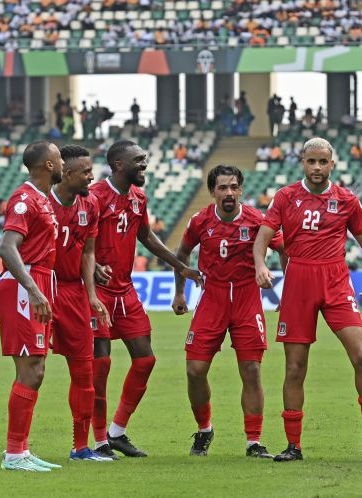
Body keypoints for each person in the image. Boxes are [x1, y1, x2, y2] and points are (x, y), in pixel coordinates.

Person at [253, 137, 362, 462]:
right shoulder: (286, 197)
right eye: (311, 161)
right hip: (299, 282)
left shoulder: (346, 200)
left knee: (361, 355)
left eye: (322, 162)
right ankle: (293, 446)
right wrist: (260, 264)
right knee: (295, 367)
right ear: (302, 162)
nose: (316, 167)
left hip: (335, 281)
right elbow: (262, 238)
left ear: (332, 164)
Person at [89, 140, 202, 459]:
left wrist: (178, 265)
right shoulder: (95, 197)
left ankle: (117, 432)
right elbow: (80, 239)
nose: (145, 164)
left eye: (145, 158)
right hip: (98, 292)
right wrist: (93, 266)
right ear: (118, 165)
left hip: (125, 290)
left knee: (145, 359)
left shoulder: (138, 197)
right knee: (101, 367)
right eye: (138, 160)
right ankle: (98, 441)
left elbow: (146, 235)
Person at [173, 165, 286, 458]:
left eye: (234, 187)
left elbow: (283, 248)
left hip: (247, 298)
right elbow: (181, 254)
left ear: (241, 189)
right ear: (212, 192)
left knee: (251, 370)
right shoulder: (200, 221)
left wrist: (287, 290)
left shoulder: (256, 220)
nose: (229, 193)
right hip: (212, 298)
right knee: (195, 370)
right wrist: (180, 291)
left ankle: (254, 442)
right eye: (222, 188)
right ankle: (205, 429)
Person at [0, 140, 63, 471]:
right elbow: (7, 248)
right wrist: (34, 290)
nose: (63, 162)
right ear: (48, 165)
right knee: (31, 370)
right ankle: (14, 454)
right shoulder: (24, 200)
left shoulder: (43, 200)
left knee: (35, 369)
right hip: (26, 288)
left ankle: (20, 450)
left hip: (38, 285)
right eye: (59, 158)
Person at [49, 144, 113, 461]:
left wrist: (91, 295)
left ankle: (81, 447)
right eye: (86, 171)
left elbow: (88, 252)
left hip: (73, 293)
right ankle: (18, 448)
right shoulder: (39, 201)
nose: (92, 176)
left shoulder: (91, 204)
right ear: (68, 173)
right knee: (31, 371)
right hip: (41, 287)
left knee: (84, 371)